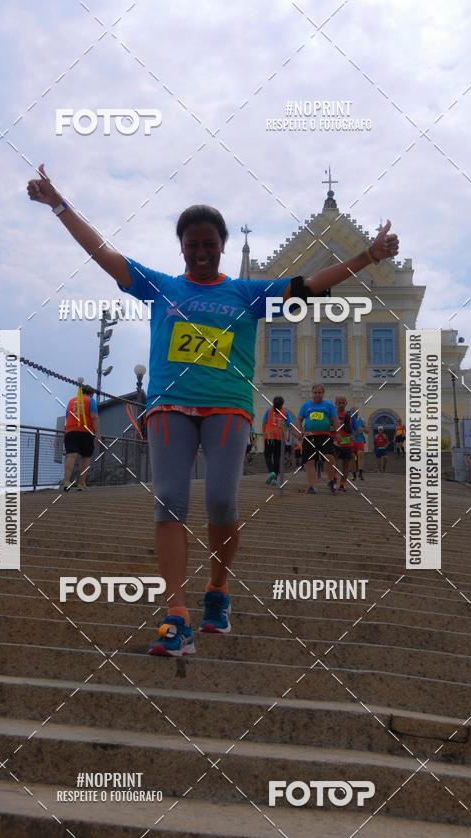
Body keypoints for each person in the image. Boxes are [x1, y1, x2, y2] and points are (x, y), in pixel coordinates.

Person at [27, 164, 399, 656]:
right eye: (192, 244)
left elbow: (308, 286)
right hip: (168, 408)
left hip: (227, 408)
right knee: (169, 501)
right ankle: (176, 613)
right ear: (181, 247)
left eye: (209, 244)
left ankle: (218, 591)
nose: (201, 251)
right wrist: (59, 205)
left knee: (222, 501)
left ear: (221, 246)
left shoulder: (245, 293)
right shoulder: (162, 287)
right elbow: (104, 254)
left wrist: (367, 256)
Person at [295, 384, 339, 494]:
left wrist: (338, 432)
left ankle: (331, 480)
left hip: (325, 435)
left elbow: (335, 420)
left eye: (319, 392)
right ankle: (312, 486)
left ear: (323, 394)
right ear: (312, 393)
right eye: (315, 392)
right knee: (309, 461)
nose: (317, 394)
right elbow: (299, 419)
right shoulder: (306, 406)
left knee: (330, 457)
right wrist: (298, 431)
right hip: (310, 436)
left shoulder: (329, 405)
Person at [61, 383, 100, 491]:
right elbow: (94, 417)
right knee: (86, 458)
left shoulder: (71, 401)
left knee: (71, 456)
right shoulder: (90, 400)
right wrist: (97, 434)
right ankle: (81, 483)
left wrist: (65, 432)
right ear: (91, 393)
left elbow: (67, 417)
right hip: (85, 432)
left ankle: (66, 482)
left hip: (70, 431)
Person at [262, 396, 292, 486]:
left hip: (269, 437)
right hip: (279, 438)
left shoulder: (268, 411)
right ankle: (274, 479)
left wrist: (264, 433)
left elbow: (264, 423)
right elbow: (289, 425)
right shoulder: (285, 413)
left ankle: (271, 472)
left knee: (267, 455)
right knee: (277, 458)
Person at [333, 395, 354, 493]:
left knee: (346, 465)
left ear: (346, 403)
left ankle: (343, 483)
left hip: (346, 442)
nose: (341, 404)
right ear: (335, 403)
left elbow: (351, 429)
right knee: (334, 464)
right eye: (339, 402)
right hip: (336, 442)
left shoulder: (349, 415)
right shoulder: (333, 414)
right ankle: (334, 482)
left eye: (343, 402)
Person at [350, 407, 368, 480]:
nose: (354, 412)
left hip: (359, 440)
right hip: (351, 441)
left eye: (356, 411)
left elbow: (367, 431)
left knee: (360, 455)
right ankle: (354, 473)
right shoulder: (349, 420)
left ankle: (360, 472)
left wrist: (363, 429)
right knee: (352, 457)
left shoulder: (362, 420)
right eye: (353, 411)